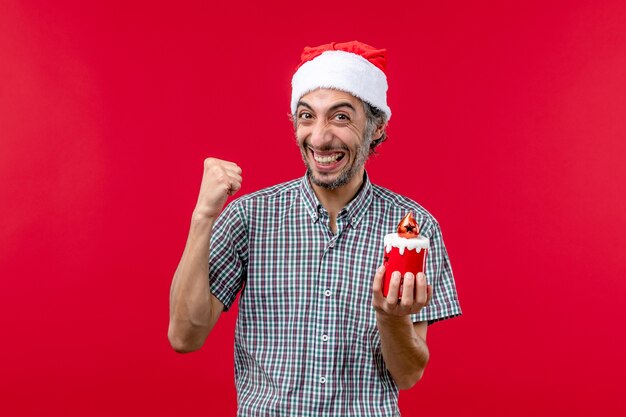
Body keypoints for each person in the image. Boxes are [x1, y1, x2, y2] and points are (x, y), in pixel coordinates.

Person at [168, 41, 461, 416]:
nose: (320, 138)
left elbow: (407, 375)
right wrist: (202, 218)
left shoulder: (413, 230)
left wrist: (391, 317)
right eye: (307, 116)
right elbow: (184, 336)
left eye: (341, 118)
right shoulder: (249, 217)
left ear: (376, 127)